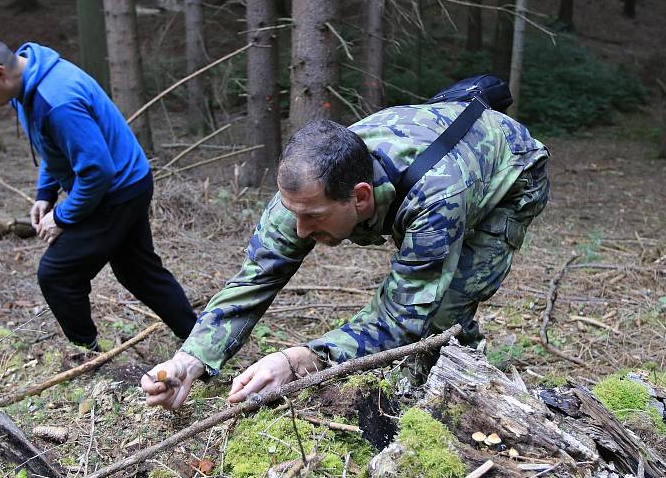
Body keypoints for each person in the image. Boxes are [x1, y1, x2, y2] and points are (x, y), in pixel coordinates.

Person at [141, 103, 550, 409]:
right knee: (431, 305)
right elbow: (256, 276)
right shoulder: (309, 186)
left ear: (359, 197)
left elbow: (402, 316)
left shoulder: (437, 199)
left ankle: (464, 386)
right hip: (436, 161)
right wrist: (191, 358)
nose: (301, 230)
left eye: (313, 217)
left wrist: (307, 358)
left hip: (509, 174)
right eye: (293, 213)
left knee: (442, 309)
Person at [0, 35, 197, 350]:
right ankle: (201, 347)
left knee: (58, 273)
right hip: (127, 182)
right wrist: (45, 194)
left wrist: (63, 217)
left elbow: (97, 172)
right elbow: (54, 147)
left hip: (117, 190)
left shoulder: (57, 100)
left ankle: (86, 355)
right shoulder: (28, 80)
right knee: (140, 273)